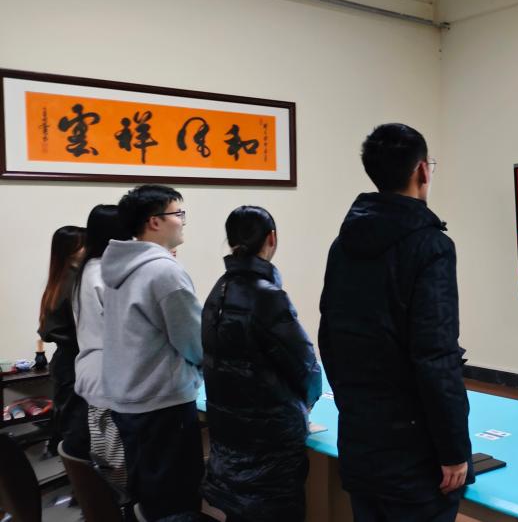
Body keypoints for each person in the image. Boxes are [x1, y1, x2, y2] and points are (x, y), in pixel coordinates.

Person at [319, 123, 474, 522]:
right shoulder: (431, 245)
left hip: (360, 438)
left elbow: (329, 338)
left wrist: (356, 406)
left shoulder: (343, 243)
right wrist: (454, 450)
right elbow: (435, 355)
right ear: (422, 170)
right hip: (414, 453)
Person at [202, 206, 322, 522]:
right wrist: (308, 403)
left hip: (231, 435)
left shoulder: (219, 289)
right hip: (270, 441)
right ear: (272, 238)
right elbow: (305, 366)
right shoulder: (268, 296)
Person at [101, 185, 203, 521]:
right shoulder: (164, 271)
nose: (183, 221)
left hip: (130, 399)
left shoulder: (118, 268)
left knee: (149, 496)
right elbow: (194, 341)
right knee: (176, 501)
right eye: (178, 213)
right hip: (163, 404)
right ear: (154, 222)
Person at [73, 204, 131, 491]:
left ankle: (113, 506)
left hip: (96, 377)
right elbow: (127, 330)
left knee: (108, 459)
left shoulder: (88, 270)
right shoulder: (106, 276)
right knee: (121, 468)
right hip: (112, 380)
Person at [37, 225, 88, 459]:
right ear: (71, 250)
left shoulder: (58, 280)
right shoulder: (75, 282)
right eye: (83, 244)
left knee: (67, 417)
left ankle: (69, 466)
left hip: (63, 361)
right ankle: (76, 473)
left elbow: (46, 331)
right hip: (74, 362)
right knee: (77, 424)